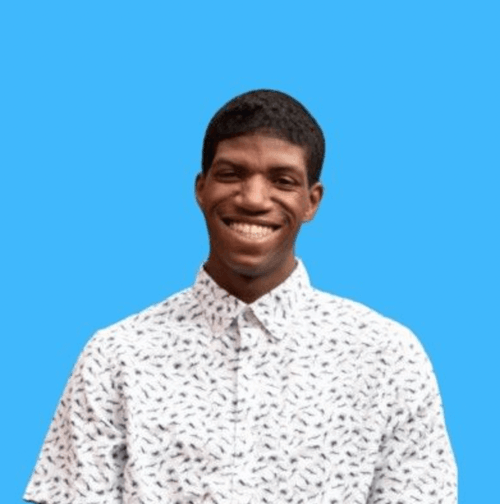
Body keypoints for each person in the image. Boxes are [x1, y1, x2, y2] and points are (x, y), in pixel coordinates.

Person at [24, 89, 457, 504]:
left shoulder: (388, 359)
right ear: (200, 188)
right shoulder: (116, 358)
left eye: (282, 180)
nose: (253, 199)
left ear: (312, 201)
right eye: (231, 174)